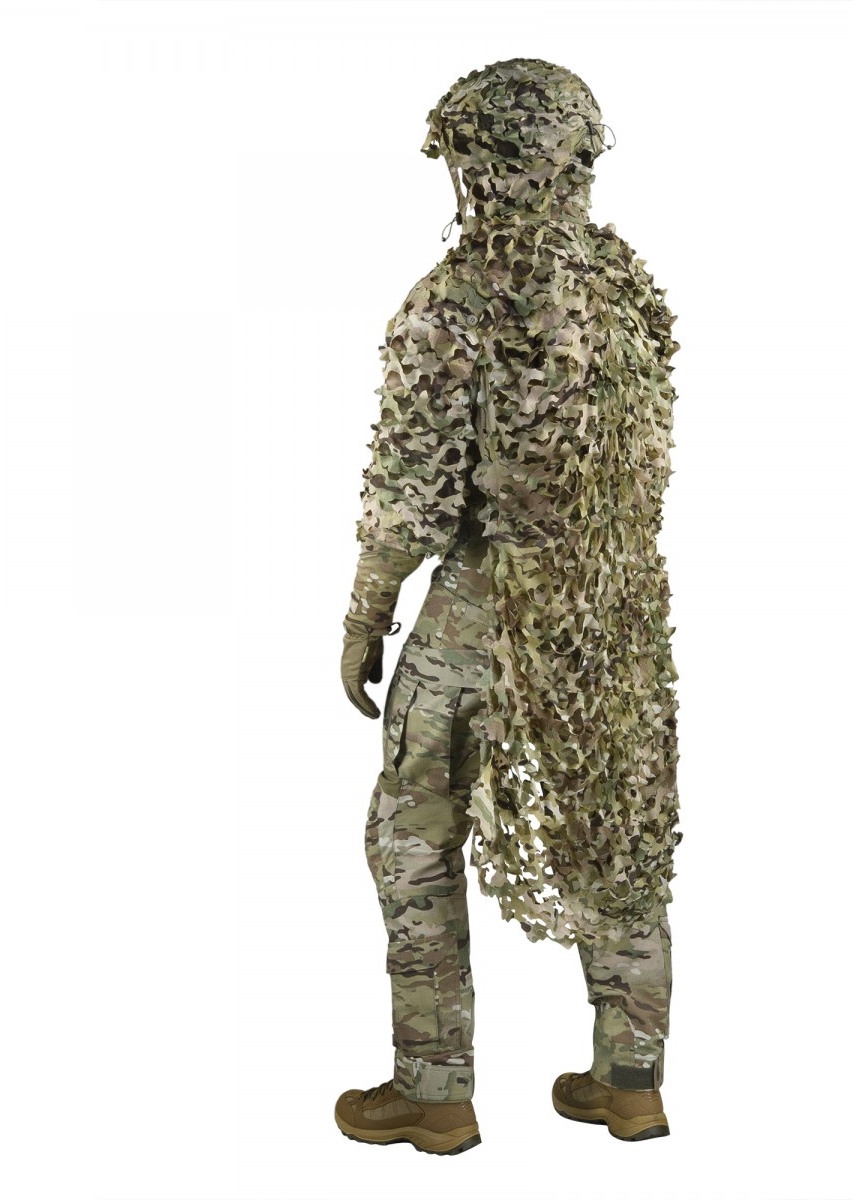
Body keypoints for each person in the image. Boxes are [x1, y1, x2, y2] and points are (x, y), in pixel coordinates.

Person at [335, 58, 681, 1155]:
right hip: (616, 614)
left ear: (478, 164)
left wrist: (366, 612)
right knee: (618, 832)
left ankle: (434, 1091)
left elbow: (414, 490)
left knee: (414, 830)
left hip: (486, 612)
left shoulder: (456, 300)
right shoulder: (624, 289)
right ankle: (630, 1081)